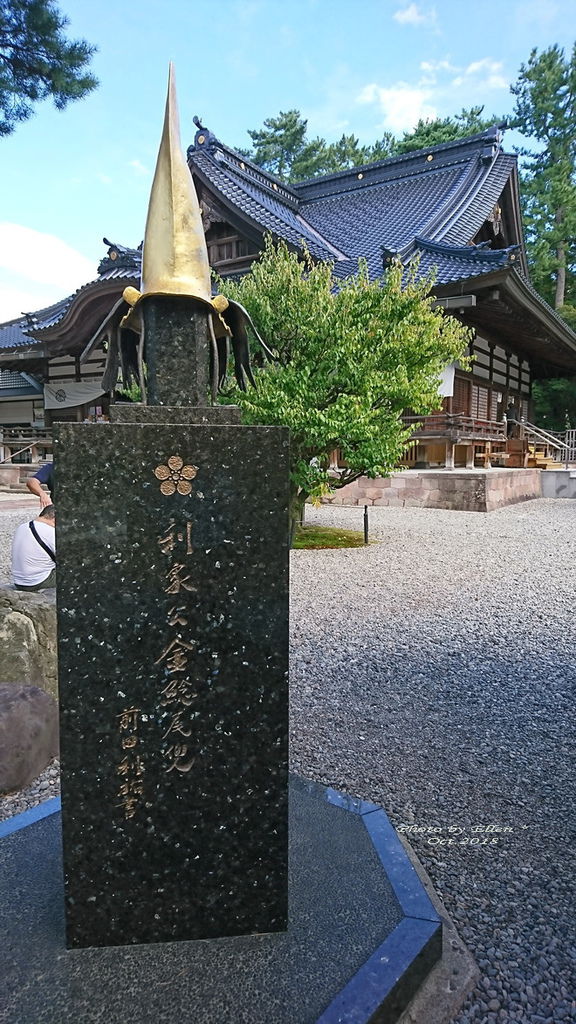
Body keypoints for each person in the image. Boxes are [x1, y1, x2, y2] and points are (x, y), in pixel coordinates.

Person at [12, 505, 56, 591]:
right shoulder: (50, 532)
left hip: (18, 581)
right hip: (37, 582)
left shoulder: (22, 526)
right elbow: (67, 559)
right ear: (54, 519)